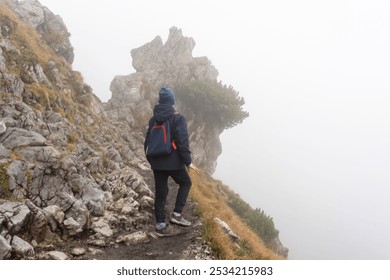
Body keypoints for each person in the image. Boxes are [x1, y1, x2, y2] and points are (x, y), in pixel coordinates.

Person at [144, 86, 200, 237]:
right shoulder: (178, 118)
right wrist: (188, 162)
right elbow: (182, 143)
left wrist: (151, 159)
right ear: (172, 101)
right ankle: (176, 214)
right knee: (186, 183)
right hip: (173, 162)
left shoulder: (153, 119)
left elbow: (147, 141)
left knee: (161, 193)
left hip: (156, 161)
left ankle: (161, 225)